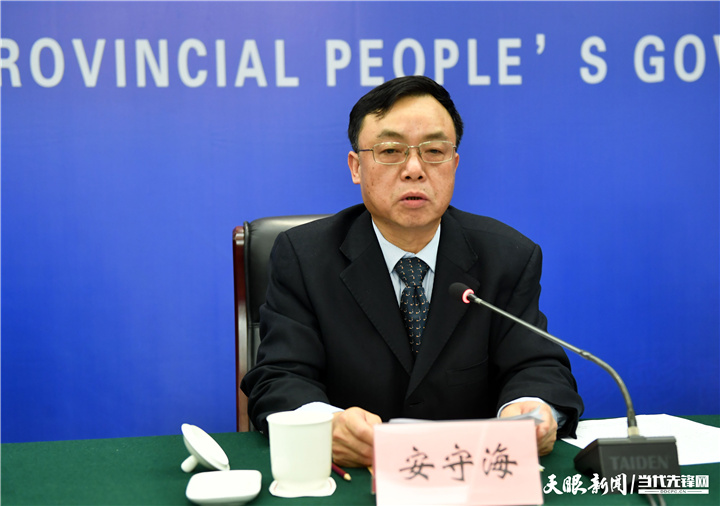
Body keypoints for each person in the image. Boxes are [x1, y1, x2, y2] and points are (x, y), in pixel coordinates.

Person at [241, 76, 583, 468]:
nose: (415, 169)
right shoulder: (304, 257)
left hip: (472, 473)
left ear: (454, 165)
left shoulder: (507, 256)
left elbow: (536, 366)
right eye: (390, 151)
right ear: (356, 167)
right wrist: (325, 425)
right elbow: (279, 377)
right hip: (358, 474)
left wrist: (531, 409)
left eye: (434, 151)